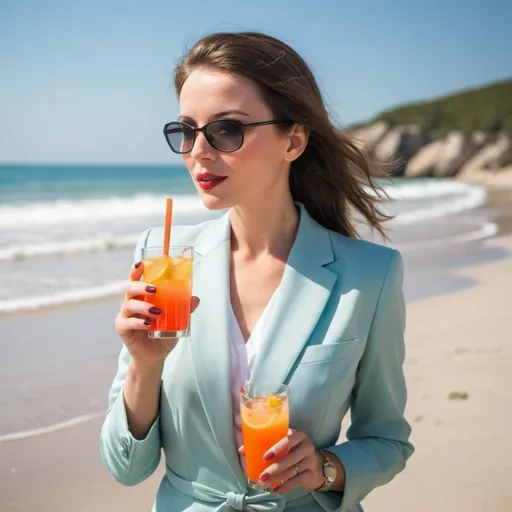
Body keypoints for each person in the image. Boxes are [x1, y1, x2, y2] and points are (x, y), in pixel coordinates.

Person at [100, 31, 414, 512]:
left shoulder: (368, 277)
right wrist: (145, 366)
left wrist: (327, 468)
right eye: (186, 130)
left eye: (227, 129)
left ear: (294, 140)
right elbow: (126, 468)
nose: (198, 151)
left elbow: (387, 440)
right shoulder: (164, 259)